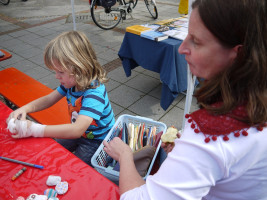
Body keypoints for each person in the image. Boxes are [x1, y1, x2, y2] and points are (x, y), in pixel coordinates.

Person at [103, 0, 267, 199]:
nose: (182, 49)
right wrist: (186, 154)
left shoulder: (210, 136)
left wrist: (125, 156)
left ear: (237, 54)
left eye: (196, 41)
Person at [7, 31, 115, 167]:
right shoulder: (71, 83)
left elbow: (77, 129)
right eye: (55, 71)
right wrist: (25, 108)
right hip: (79, 133)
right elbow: (48, 99)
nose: (56, 76)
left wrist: (35, 129)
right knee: (52, 151)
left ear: (80, 68)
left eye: (61, 72)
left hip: (97, 140)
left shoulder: (94, 94)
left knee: (76, 167)